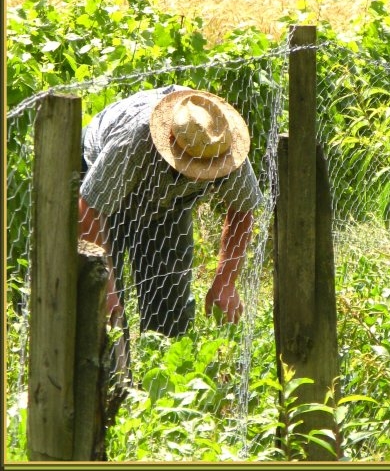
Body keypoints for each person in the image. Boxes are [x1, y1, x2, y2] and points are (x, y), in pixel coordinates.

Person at [78, 85, 262, 346]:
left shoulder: (221, 144)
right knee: (98, 308)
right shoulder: (134, 139)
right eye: (191, 166)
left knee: (171, 314)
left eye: (205, 170)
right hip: (100, 193)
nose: (199, 175)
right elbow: (89, 207)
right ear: (172, 144)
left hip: (167, 206)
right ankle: (110, 379)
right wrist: (106, 288)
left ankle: (161, 373)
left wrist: (225, 281)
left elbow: (243, 210)